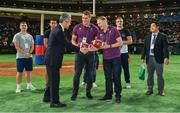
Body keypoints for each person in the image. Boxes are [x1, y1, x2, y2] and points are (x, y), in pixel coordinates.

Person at [43, 13, 71, 108]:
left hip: (50, 58)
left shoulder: (56, 29)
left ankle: (47, 97)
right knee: (55, 81)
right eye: (69, 22)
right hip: (53, 59)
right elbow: (68, 45)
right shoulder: (59, 31)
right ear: (65, 21)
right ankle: (54, 102)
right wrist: (81, 49)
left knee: (51, 79)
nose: (70, 24)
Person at [71, 10, 99, 101]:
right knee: (77, 74)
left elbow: (97, 42)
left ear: (90, 18)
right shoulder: (77, 27)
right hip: (80, 53)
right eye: (83, 18)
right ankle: (74, 93)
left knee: (90, 74)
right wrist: (78, 47)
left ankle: (88, 93)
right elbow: (73, 41)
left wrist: (91, 47)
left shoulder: (95, 28)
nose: (84, 19)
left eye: (86, 18)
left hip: (90, 53)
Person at [97, 16, 123, 104]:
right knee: (107, 78)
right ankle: (108, 95)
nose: (98, 24)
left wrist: (109, 46)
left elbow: (120, 42)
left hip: (116, 57)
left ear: (105, 21)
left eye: (99, 23)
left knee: (116, 77)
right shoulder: (99, 32)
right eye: (98, 23)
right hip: (106, 58)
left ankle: (118, 96)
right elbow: (98, 45)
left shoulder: (114, 29)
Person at [141, 21, 169, 96]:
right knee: (150, 75)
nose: (151, 27)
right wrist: (143, 57)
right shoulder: (147, 37)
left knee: (160, 75)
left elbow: (165, 48)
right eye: (151, 26)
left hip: (159, 58)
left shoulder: (163, 36)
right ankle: (150, 89)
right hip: (149, 58)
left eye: (153, 26)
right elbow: (145, 48)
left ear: (157, 27)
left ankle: (161, 90)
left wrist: (166, 57)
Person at [12, 20, 36, 93]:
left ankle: (29, 85)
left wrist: (29, 53)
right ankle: (18, 87)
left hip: (29, 57)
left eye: (25, 25)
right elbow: (17, 46)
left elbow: (32, 46)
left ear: (27, 27)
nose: (24, 27)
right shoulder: (17, 35)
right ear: (20, 27)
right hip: (20, 57)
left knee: (28, 72)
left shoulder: (30, 36)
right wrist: (24, 53)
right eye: (22, 25)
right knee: (19, 72)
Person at [116, 17, 133, 89]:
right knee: (116, 69)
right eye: (118, 21)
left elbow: (130, 41)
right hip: (115, 53)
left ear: (122, 22)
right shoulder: (113, 30)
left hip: (124, 53)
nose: (119, 22)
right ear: (116, 22)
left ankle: (127, 82)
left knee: (126, 68)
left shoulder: (126, 31)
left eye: (121, 21)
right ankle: (116, 83)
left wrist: (121, 42)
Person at [43, 18, 57, 90]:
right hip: (49, 53)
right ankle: (47, 85)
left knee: (55, 69)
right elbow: (45, 43)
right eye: (52, 23)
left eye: (54, 23)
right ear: (50, 24)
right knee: (47, 69)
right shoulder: (47, 32)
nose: (53, 24)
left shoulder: (59, 32)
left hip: (56, 54)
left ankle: (54, 84)